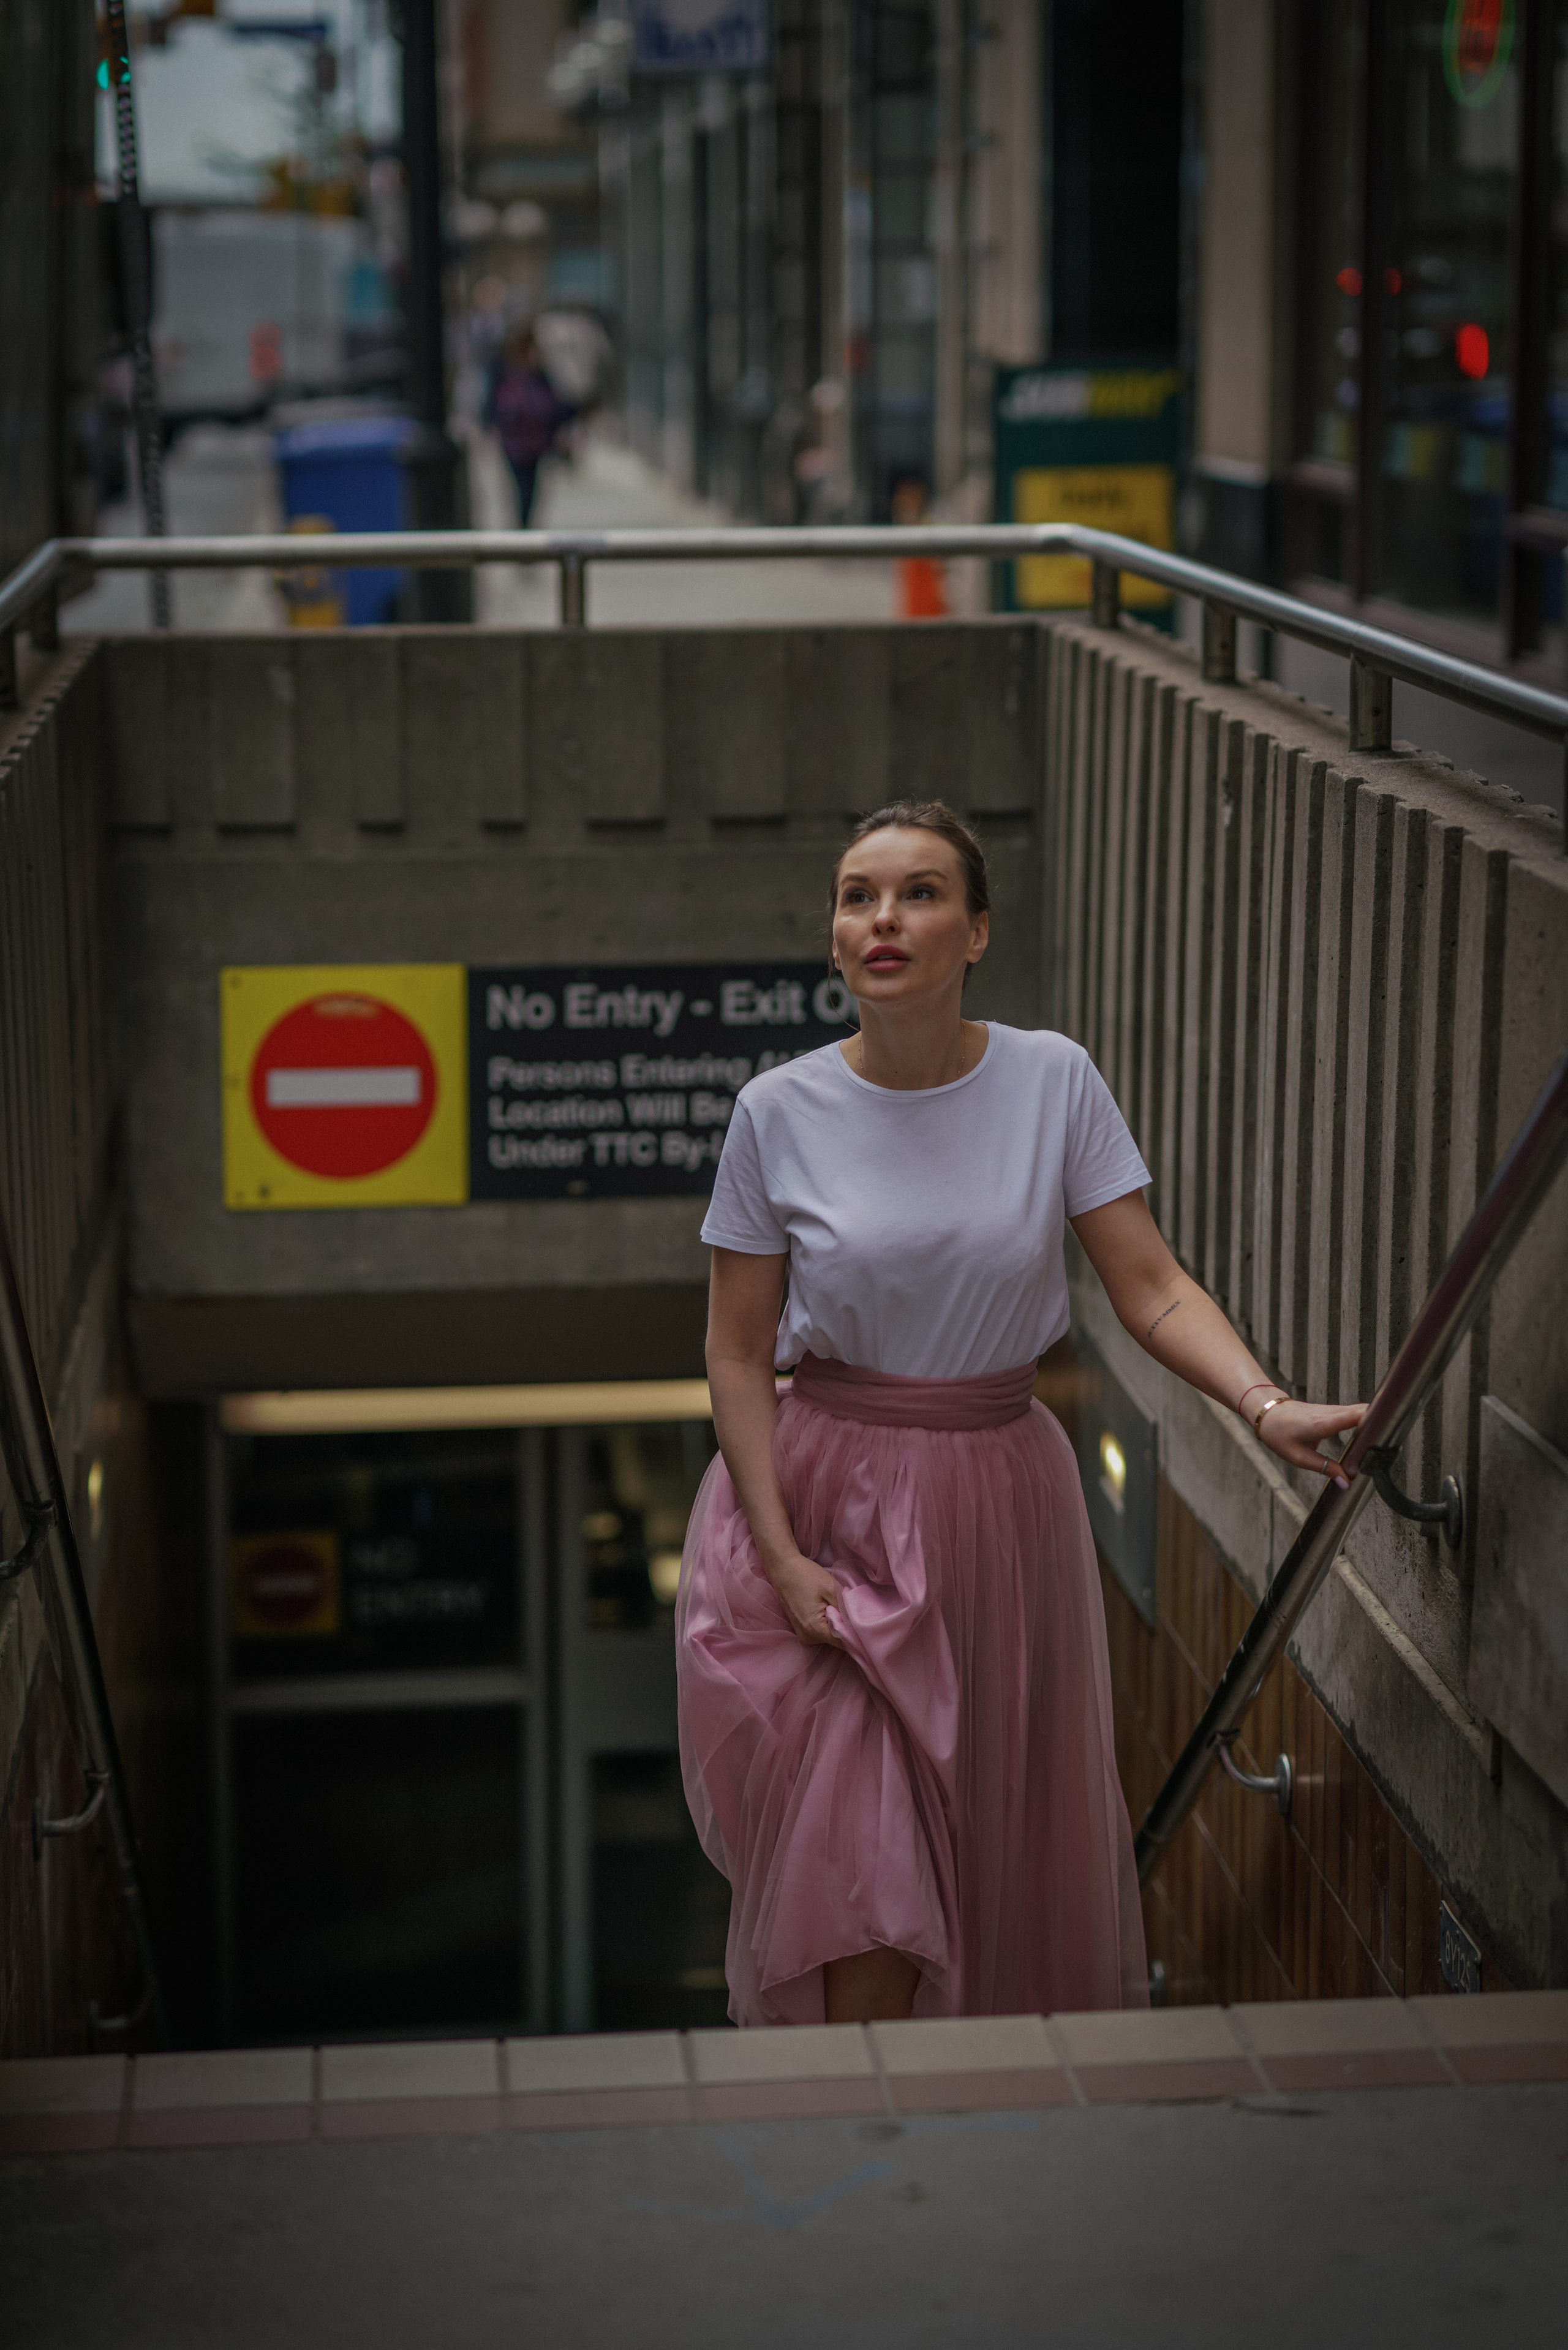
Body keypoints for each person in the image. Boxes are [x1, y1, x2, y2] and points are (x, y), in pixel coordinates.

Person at [676, 799, 1365, 2028]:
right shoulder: (772, 1112)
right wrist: (777, 1555)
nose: (881, 917)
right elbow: (735, 1355)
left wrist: (1259, 1404)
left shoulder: (1053, 1078)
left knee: (989, 1828)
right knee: (863, 1860)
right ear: (833, 940)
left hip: (1002, 1497)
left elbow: (1145, 1284)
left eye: (919, 891)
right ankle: (867, 2158)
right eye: (856, 895)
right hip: (826, 1511)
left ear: (978, 929)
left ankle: (964, 2147)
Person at [490, 325, 576, 525]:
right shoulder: (506, 369)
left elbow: (554, 407)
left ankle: (525, 530)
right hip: (515, 442)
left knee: (530, 490)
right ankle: (523, 531)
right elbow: (494, 404)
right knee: (522, 489)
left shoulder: (539, 372)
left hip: (535, 443)